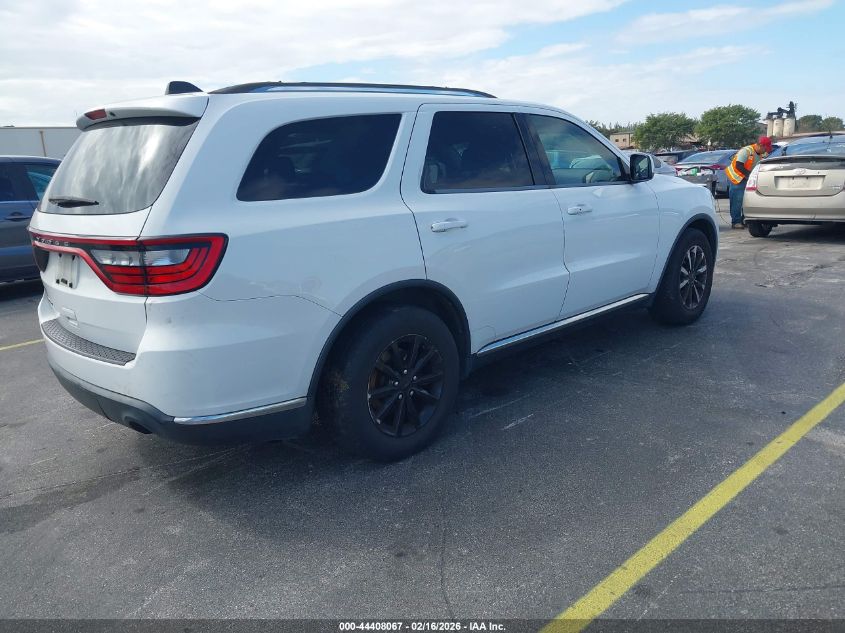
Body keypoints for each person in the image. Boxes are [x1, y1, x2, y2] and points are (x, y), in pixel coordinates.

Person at [725, 136, 772, 228]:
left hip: (747, 178)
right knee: (737, 200)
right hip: (737, 178)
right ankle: (736, 222)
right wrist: (750, 175)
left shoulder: (762, 154)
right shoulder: (746, 151)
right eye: (766, 148)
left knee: (747, 200)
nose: (767, 151)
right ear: (760, 145)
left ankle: (744, 219)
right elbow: (739, 165)